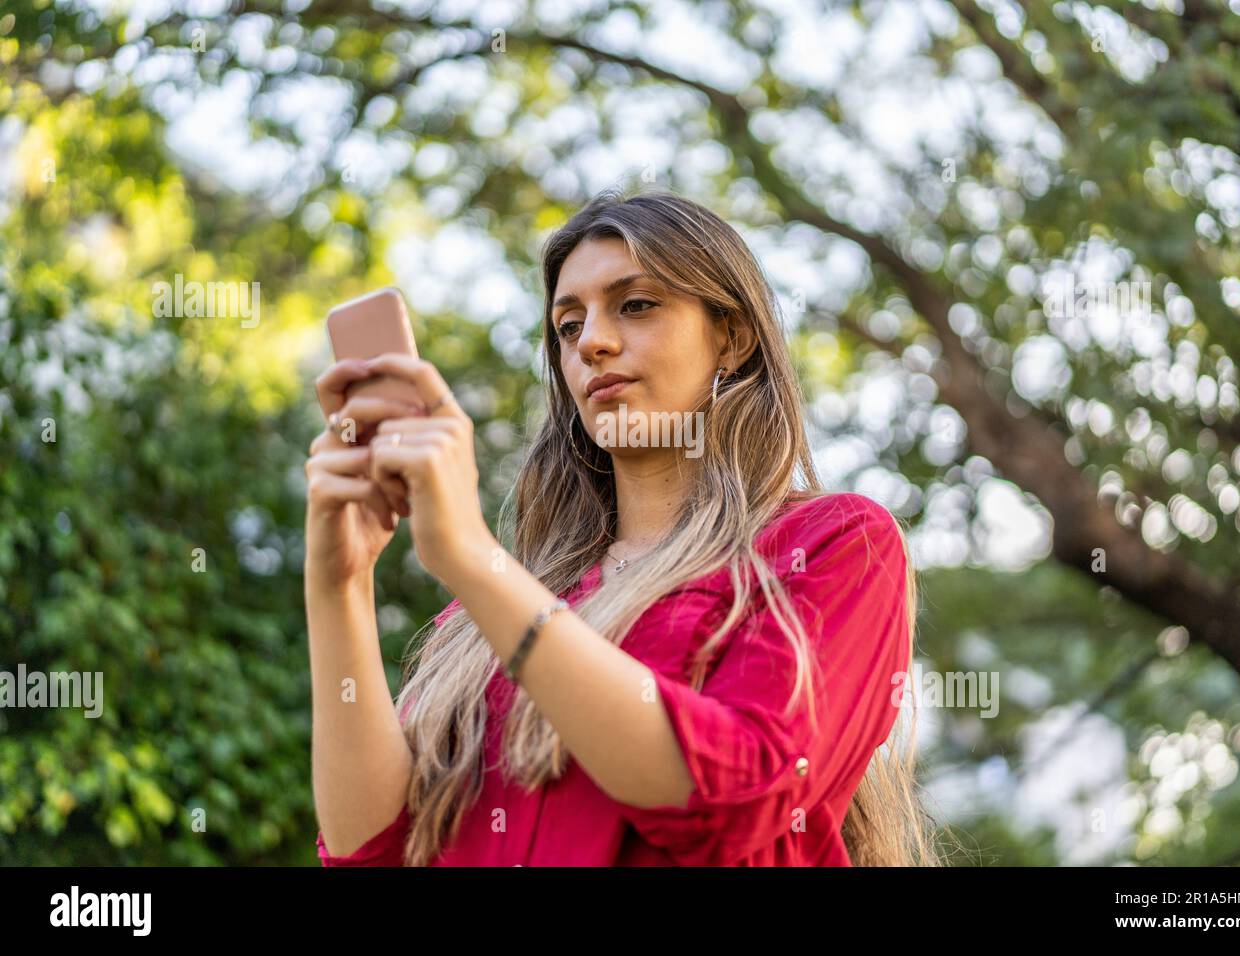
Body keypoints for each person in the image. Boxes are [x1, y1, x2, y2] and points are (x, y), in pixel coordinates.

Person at [305, 187, 939, 866]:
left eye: (636, 305)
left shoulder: (834, 545)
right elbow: (372, 849)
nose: (592, 344)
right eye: (569, 326)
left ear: (733, 336)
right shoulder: (495, 609)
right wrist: (338, 586)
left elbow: (739, 799)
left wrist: (466, 555)